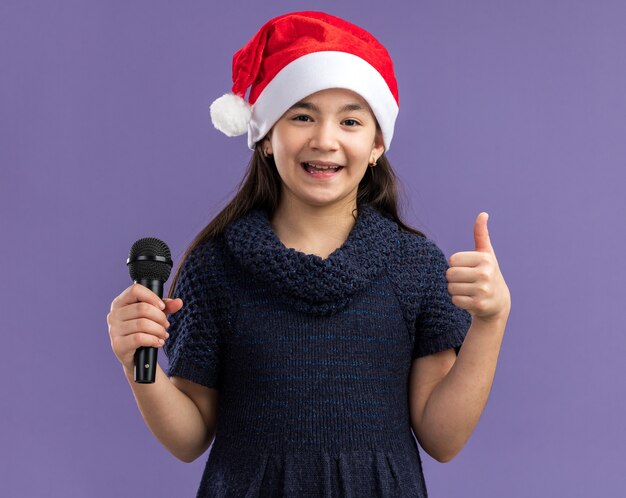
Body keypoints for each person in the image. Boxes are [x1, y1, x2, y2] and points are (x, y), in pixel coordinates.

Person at [107, 10, 511, 498]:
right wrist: (138, 366)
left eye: (350, 120)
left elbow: (442, 438)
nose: (325, 140)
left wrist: (490, 323)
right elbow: (191, 437)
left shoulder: (414, 267)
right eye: (301, 115)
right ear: (265, 137)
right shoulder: (217, 268)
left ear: (377, 142)